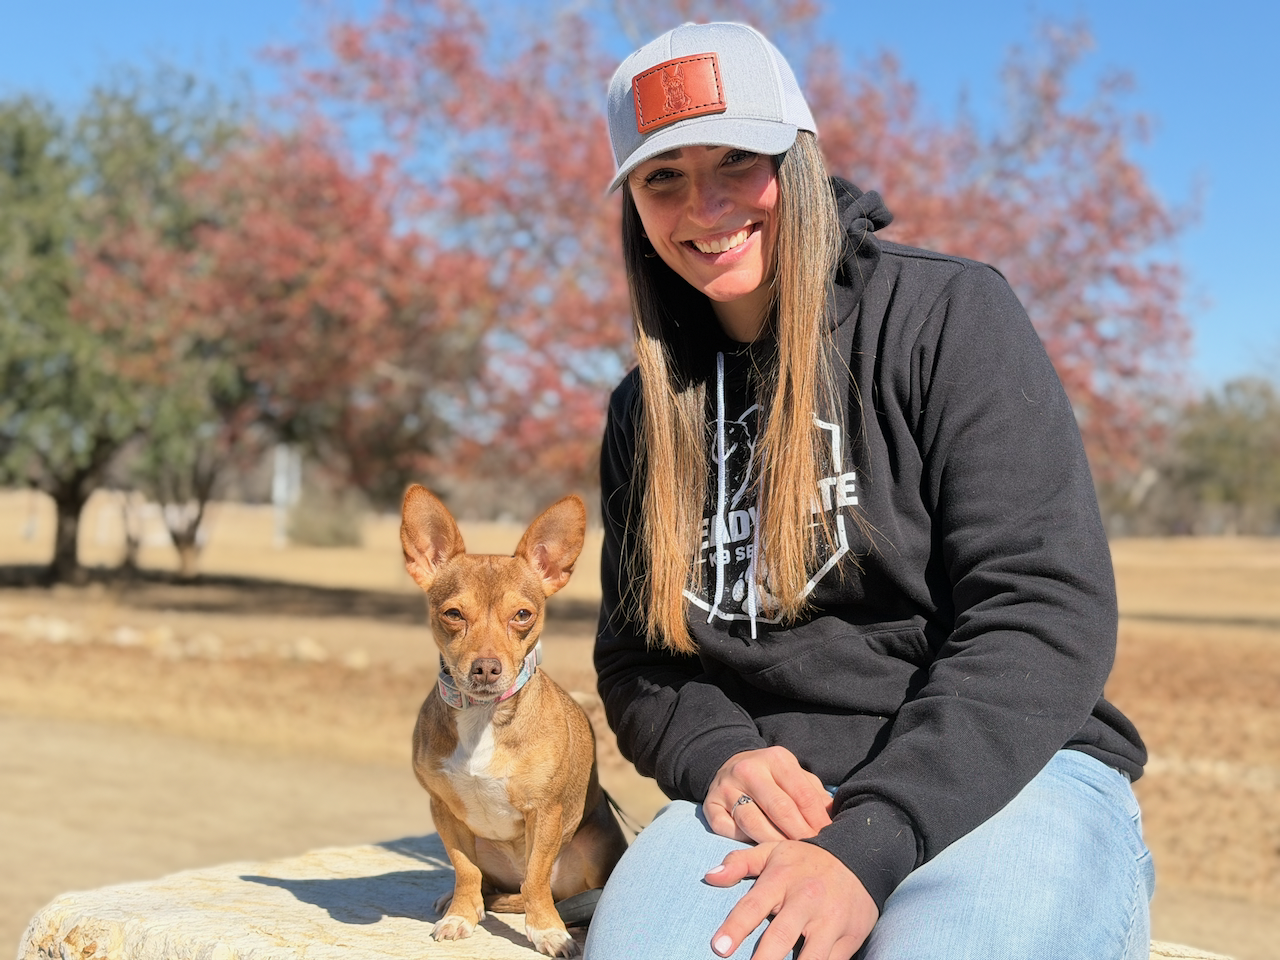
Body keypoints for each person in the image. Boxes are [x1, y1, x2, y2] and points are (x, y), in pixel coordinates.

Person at [584, 20, 1154, 960]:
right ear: (634, 205)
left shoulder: (947, 317)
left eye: (737, 159)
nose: (706, 203)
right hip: (777, 799)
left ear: (797, 160)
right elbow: (643, 660)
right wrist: (718, 755)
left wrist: (871, 842)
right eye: (663, 177)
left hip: (1003, 772)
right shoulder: (646, 411)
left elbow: (1042, 611)